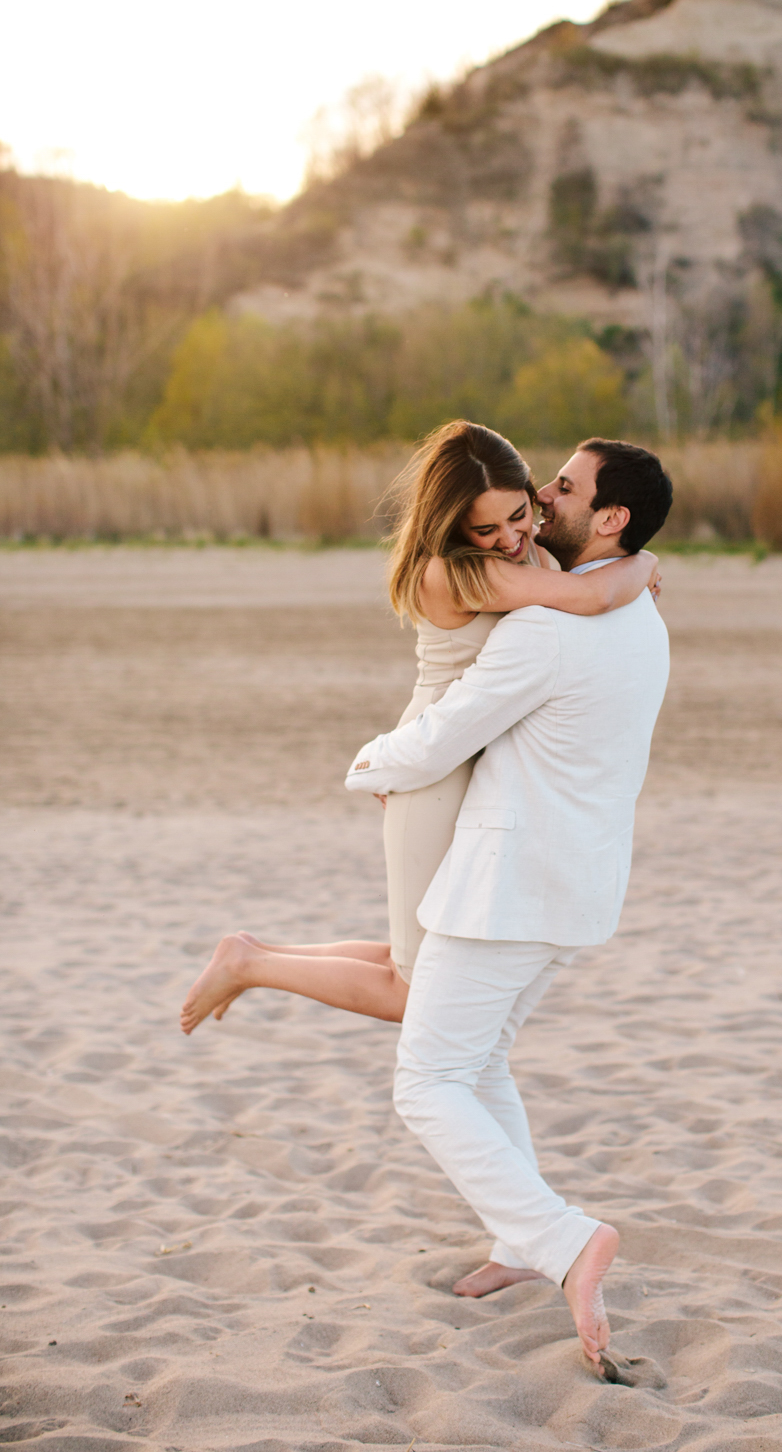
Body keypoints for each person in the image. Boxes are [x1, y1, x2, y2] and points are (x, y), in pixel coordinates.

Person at [344, 437, 672, 1374]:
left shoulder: (545, 626)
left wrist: (369, 764)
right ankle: (520, 1244)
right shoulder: (639, 611)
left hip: (504, 889)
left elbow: (447, 735)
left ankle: (564, 1239)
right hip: (574, 888)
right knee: (476, 1063)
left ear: (607, 518)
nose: (543, 495)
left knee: (427, 1083)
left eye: (564, 489)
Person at [179, 423, 658, 1037]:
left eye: (519, 516)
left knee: (429, 960)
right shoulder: (458, 572)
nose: (511, 538)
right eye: (487, 529)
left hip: (473, 761)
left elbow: (590, 594)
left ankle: (249, 954)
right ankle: (251, 964)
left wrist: (625, 567)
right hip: (433, 767)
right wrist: (641, 562)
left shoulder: (529, 550)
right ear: (454, 525)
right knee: (413, 991)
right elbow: (589, 598)